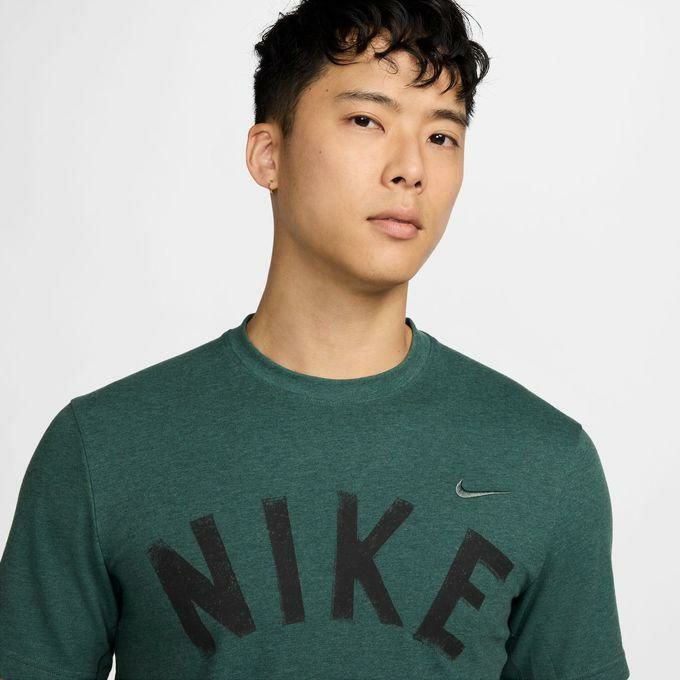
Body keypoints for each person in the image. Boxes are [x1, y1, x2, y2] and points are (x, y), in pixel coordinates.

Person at [0, 1, 630, 678]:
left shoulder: (546, 463)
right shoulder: (103, 449)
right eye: (367, 120)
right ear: (268, 154)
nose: (411, 167)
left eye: (442, 136)